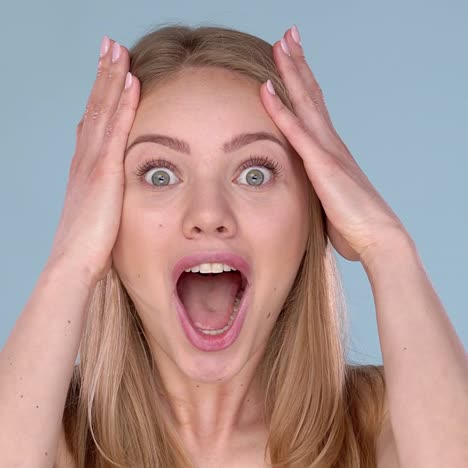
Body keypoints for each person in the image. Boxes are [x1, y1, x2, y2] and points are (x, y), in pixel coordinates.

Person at [1, 23, 466, 468]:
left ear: (315, 209)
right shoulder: (52, 432)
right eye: (159, 174)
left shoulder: (385, 422)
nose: (208, 215)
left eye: (255, 174)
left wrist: (386, 246)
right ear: (106, 220)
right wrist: (71, 262)